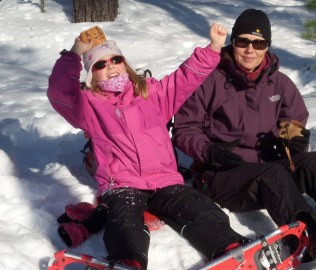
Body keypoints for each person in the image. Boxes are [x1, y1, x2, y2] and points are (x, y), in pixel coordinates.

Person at [47, 23, 248, 270]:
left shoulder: (152, 93)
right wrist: (75, 52)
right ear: (92, 76)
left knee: (200, 209)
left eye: (115, 59)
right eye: (100, 64)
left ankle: (233, 251)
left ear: (125, 64)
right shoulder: (88, 107)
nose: (110, 66)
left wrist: (215, 47)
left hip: (164, 180)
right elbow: (59, 92)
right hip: (122, 185)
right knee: (123, 223)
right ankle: (126, 263)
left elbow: (186, 77)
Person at [172, 9, 316, 262]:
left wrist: (292, 139)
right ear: (233, 42)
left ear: (266, 47)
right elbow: (184, 129)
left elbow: (292, 120)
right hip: (222, 175)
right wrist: (210, 151)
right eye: (243, 41)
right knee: (273, 175)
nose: (250, 49)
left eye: (258, 43)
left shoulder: (279, 83)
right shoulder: (211, 81)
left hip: (268, 167)